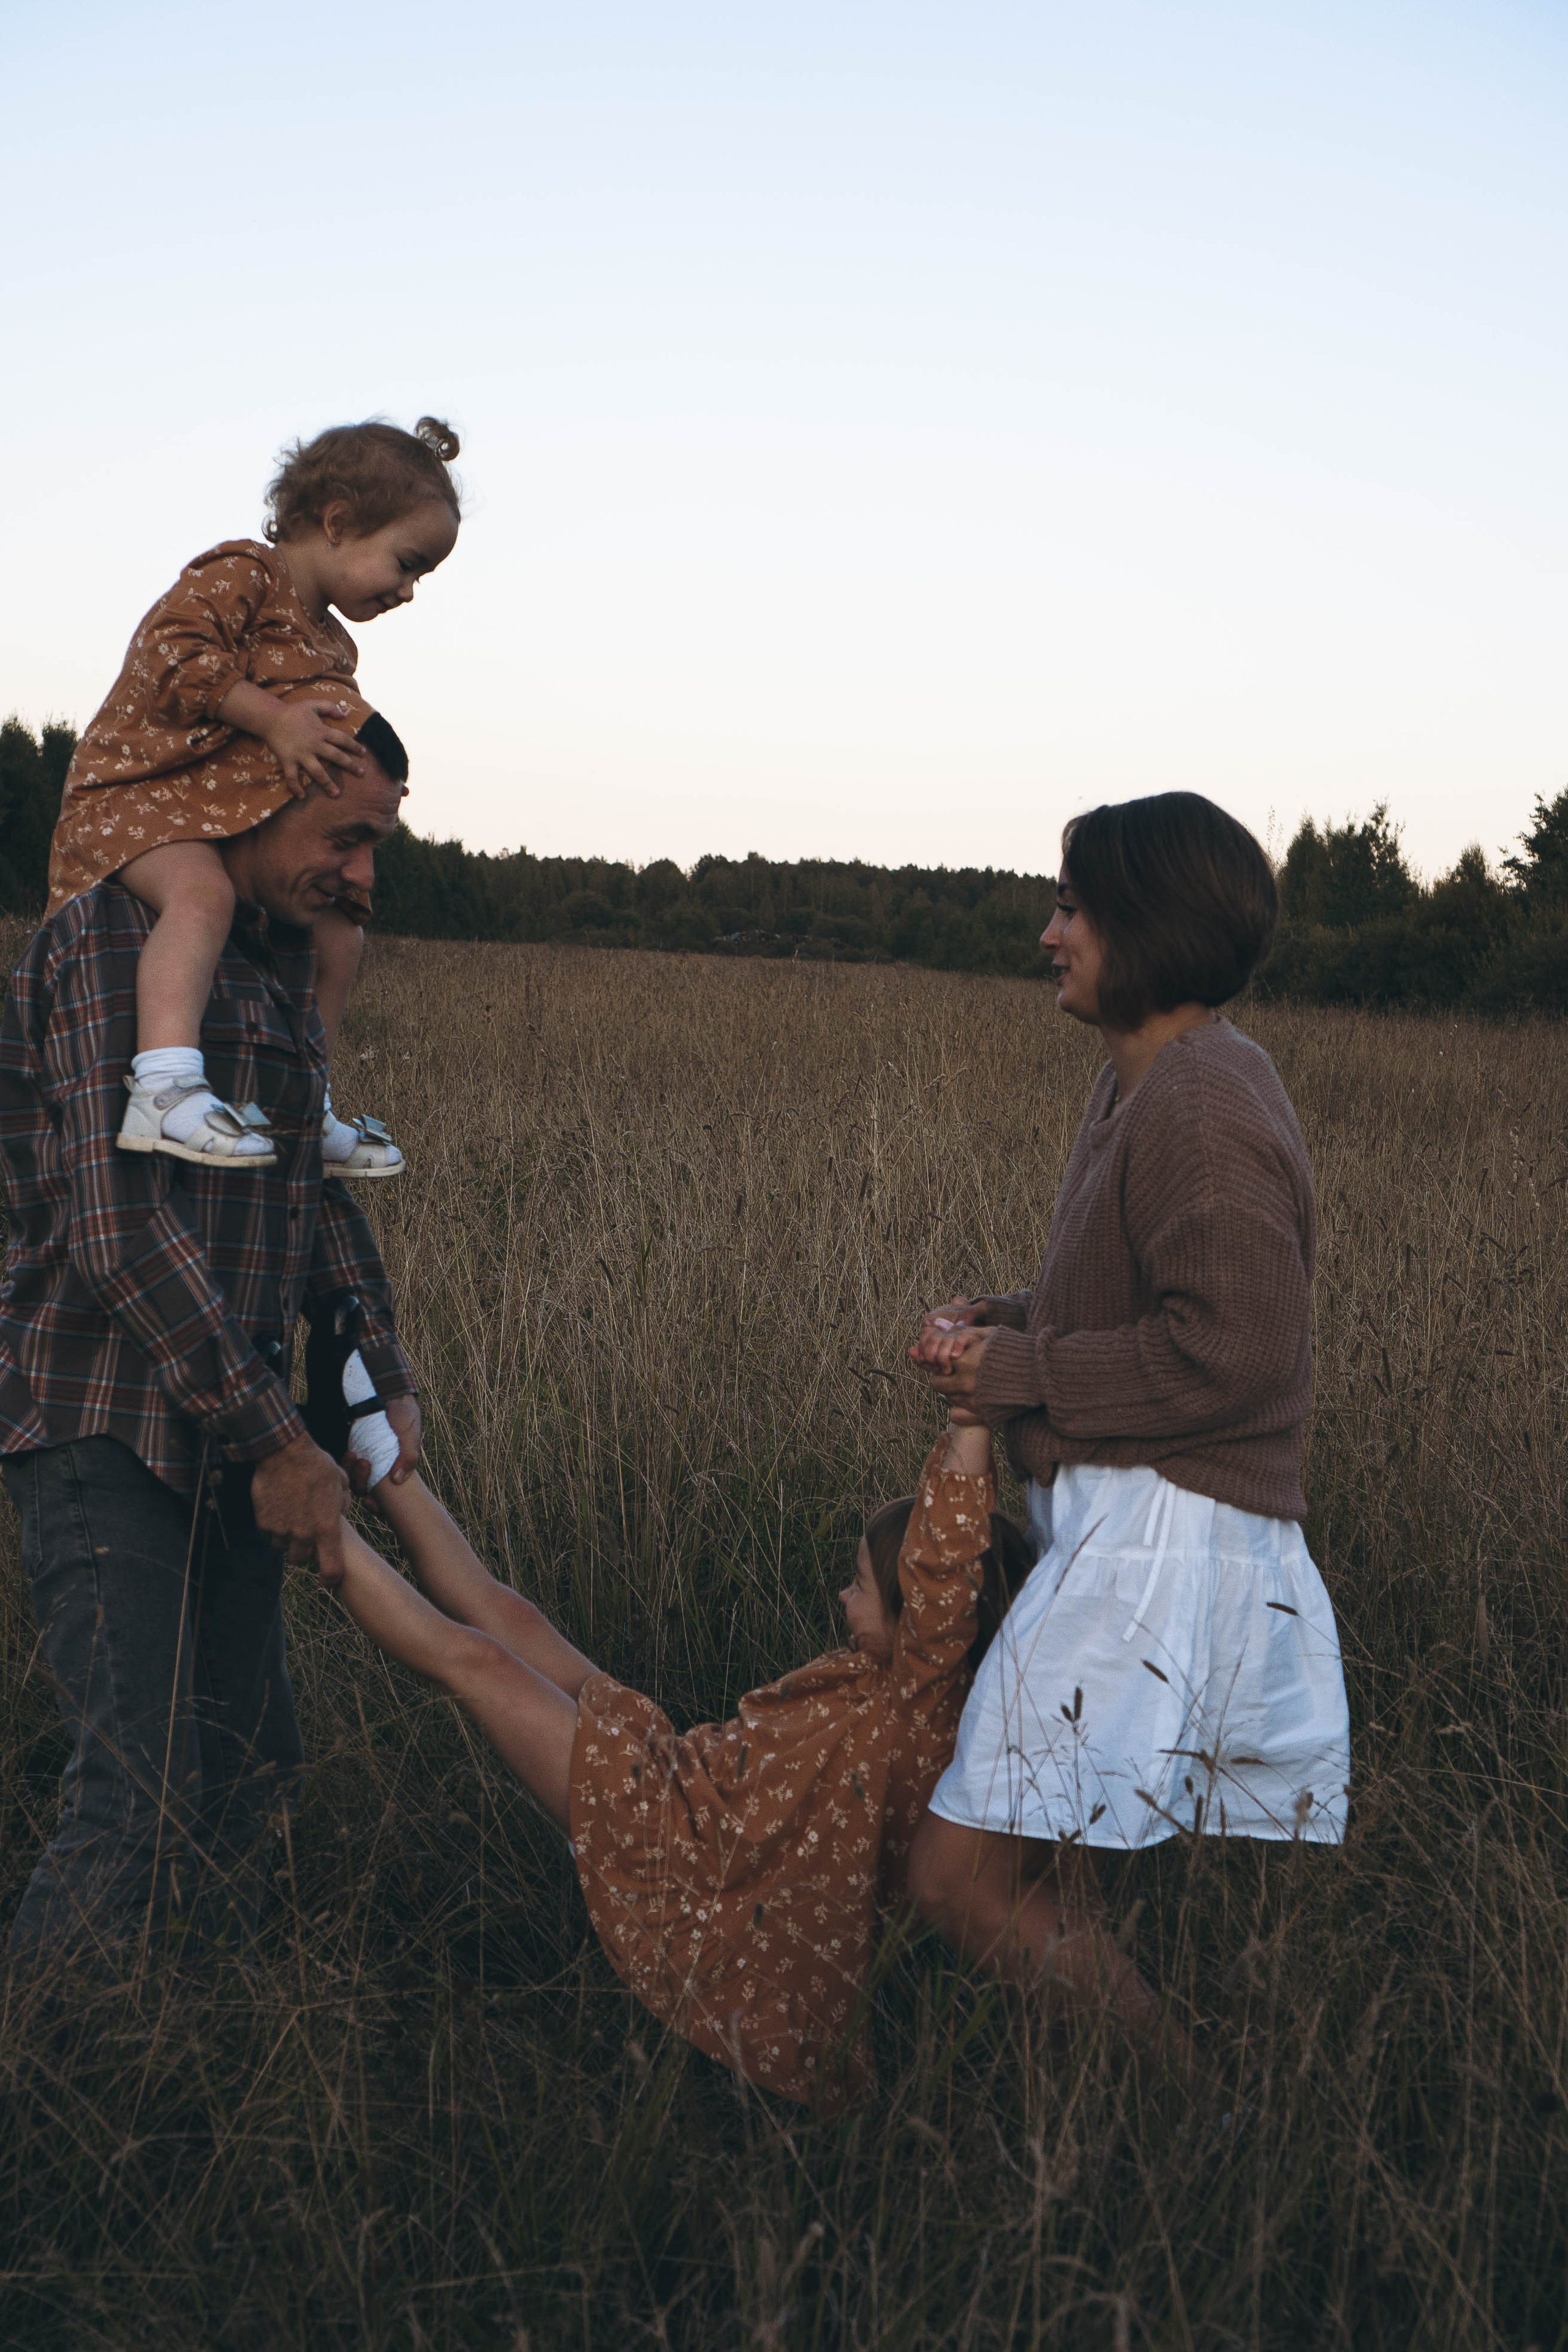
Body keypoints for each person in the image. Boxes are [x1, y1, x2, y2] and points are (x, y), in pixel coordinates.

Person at [905, 790, 1351, 2053]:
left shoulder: (1202, 1101)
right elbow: (1150, 1303)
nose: (1049, 936)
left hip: (1165, 1542)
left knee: (957, 1874)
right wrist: (1003, 1320)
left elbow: (1238, 1351)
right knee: (1059, 1867)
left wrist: (1022, 1369)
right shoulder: (1148, 1079)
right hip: (1129, 1521)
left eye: (1069, 909)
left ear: (1141, 925)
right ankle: (1098, 2139)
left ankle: (1184, 2112)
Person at [315, 1343, 1031, 2109]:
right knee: (508, 1616)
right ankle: (377, 1454)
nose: (840, 1597)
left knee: (478, 1665)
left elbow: (946, 1562)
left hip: (683, 1854)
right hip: (673, 1771)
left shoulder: (924, 1707)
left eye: (858, 1584)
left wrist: (969, 1420)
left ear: (930, 1623)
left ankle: (315, 1521)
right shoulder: (884, 1675)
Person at [0, 751, 422, 1961]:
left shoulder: (281, 963)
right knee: (133, 1800)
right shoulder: (111, 937)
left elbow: (308, 1194)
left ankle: (198, 2065)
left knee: (247, 1773)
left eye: (377, 843)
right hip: (103, 1421)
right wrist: (280, 1439)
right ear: (252, 794)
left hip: (235, 1429)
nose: (361, 874)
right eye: (342, 838)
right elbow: (117, 1229)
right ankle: (43, 2098)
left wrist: (377, 1368)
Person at [45, 415, 463, 1177]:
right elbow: (167, 659)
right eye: (406, 564)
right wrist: (273, 721)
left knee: (342, 936)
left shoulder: (334, 646)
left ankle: (307, 1101)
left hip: (206, 817)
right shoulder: (242, 574)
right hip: (132, 800)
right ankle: (165, 1090)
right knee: (204, 898)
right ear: (337, 523)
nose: (407, 592)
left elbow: (339, 753)